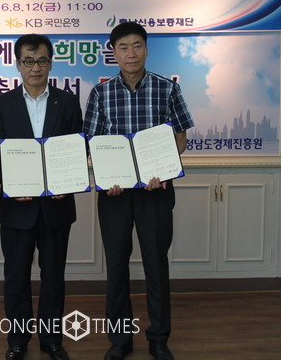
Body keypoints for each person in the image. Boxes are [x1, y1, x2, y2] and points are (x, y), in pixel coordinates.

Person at [83, 22, 194, 360]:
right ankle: (120, 340)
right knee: (116, 265)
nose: (130, 53)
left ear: (146, 49)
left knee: (156, 265)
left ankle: (159, 338)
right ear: (113, 53)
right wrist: (108, 174)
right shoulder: (101, 93)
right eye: (123, 47)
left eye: (136, 46)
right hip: (114, 194)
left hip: (155, 190)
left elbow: (180, 138)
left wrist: (163, 168)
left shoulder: (167, 88)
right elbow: (92, 143)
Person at [0, 34, 83, 360]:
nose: (35, 67)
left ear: (50, 63)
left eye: (41, 60)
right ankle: (17, 340)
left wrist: (68, 182)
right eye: (28, 61)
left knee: (54, 277)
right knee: (16, 277)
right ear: (18, 64)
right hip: (17, 207)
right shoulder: (2, 103)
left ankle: (52, 340)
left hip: (57, 206)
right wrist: (10, 183)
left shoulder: (67, 102)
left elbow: (78, 148)